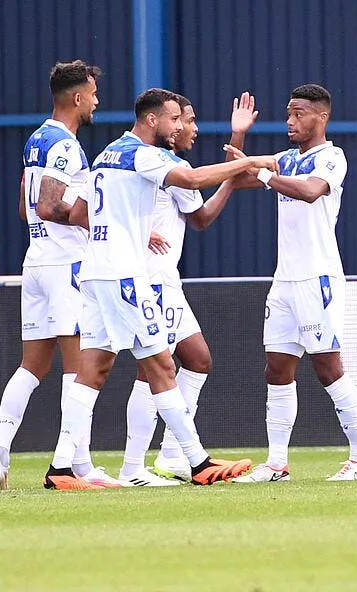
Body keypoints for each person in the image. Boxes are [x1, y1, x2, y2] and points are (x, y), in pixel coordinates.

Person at [42, 88, 274, 489]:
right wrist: (251, 160)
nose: (180, 126)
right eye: (174, 119)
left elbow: (78, 213)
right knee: (162, 366)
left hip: (95, 273)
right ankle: (196, 461)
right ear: (153, 120)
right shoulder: (144, 154)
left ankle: (61, 468)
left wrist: (119, 228)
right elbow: (193, 178)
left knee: (93, 370)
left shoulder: (105, 155)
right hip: (126, 277)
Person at [233, 84, 357, 484]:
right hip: (285, 280)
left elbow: (312, 192)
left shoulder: (331, 158)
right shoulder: (284, 159)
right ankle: (277, 463)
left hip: (318, 277)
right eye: (288, 113)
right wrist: (239, 134)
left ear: (322, 117)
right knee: (277, 368)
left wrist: (262, 173)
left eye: (299, 113)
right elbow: (236, 174)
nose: (291, 121)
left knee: (328, 367)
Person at [0, 60, 117, 491]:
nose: (97, 101)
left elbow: (26, 208)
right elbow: (49, 206)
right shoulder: (67, 147)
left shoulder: (35, 139)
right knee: (82, 367)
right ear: (77, 97)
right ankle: (76, 465)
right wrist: (99, 221)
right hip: (66, 266)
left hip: (36, 261)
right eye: (93, 94)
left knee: (31, 365)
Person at [121, 92, 259, 486]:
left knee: (197, 360)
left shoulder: (166, 164)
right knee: (150, 371)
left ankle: (170, 456)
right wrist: (238, 172)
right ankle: (133, 466)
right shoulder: (163, 163)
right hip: (149, 279)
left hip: (165, 279)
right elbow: (202, 216)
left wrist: (238, 144)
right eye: (184, 120)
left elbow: (213, 187)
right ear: (163, 123)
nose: (190, 128)